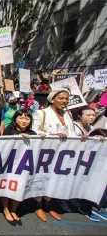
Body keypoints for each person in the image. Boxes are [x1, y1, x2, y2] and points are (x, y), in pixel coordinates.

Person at [32, 89, 83, 222]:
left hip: (64, 153)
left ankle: (48, 204)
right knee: (41, 178)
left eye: (66, 99)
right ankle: (38, 204)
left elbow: (71, 132)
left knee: (56, 178)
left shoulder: (69, 114)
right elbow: (35, 131)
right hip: (46, 152)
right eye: (61, 98)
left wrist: (80, 137)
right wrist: (53, 136)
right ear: (52, 99)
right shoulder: (41, 113)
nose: (64, 101)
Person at [2, 109, 39, 225]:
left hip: (24, 165)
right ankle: (6, 208)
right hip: (10, 164)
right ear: (15, 119)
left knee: (20, 186)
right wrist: (18, 136)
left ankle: (14, 209)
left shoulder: (33, 133)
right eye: (21, 118)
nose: (24, 121)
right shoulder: (8, 131)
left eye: (27, 118)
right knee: (7, 186)